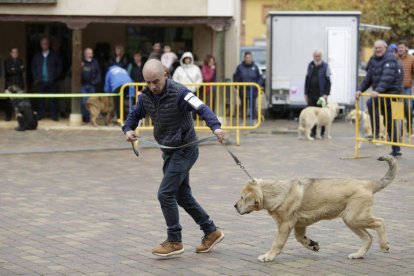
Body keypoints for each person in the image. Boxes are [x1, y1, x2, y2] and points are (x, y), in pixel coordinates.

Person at [122, 59, 225, 257]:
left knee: (165, 194)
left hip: (185, 149)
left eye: (156, 81)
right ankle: (211, 231)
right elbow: (133, 116)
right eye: (148, 82)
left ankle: (175, 241)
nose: (152, 86)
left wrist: (216, 126)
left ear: (166, 75)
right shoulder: (146, 97)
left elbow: (202, 108)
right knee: (182, 196)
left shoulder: (181, 93)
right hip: (169, 150)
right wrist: (128, 130)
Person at [356, 40, 404, 157]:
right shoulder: (373, 59)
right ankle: (384, 139)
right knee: (376, 108)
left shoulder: (390, 59)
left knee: (389, 122)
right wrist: (360, 90)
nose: (377, 50)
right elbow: (369, 77)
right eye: (375, 48)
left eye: (379, 48)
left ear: (385, 48)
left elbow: (387, 77)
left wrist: (378, 90)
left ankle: (383, 138)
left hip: (392, 94)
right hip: (381, 94)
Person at [31, 37, 62, 121]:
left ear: (49, 45)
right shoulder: (37, 56)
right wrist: (36, 77)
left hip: (52, 81)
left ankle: (54, 115)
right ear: (41, 45)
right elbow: (33, 67)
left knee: (53, 99)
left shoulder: (54, 55)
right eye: (43, 43)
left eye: (46, 43)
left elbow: (59, 67)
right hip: (41, 81)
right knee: (41, 100)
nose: (45, 45)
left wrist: (55, 77)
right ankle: (40, 115)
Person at [304, 50, 332, 137]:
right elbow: (307, 79)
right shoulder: (310, 65)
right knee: (311, 113)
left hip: (321, 95)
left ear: (321, 56)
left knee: (322, 114)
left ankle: (321, 132)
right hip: (311, 94)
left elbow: (329, 82)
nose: (317, 58)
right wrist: (305, 93)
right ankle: (312, 132)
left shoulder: (326, 66)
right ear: (313, 56)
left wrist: (326, 94)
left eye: (319, 56)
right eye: (315, 56)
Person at [233, 51, 262, 120]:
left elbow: (260, 77)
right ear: (244, 58)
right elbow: (235, 77)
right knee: (243, 106)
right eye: (247, 57)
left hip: (253, 90)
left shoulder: (255, 67)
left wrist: (258, 85)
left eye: (249, 57)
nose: (248, 59)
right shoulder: (240, 67)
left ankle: (253, 120)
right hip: (243, 91)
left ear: (251, 58)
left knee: (253, 106)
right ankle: (243, 120)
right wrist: (237, 87)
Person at [397, 40, 414, 134]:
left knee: (408, 107)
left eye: (402, 47)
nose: (400, 49)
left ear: (406, 48)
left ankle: (409, 128)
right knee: (398, 109)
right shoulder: (395, 58)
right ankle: (400, 130)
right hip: (396, 89)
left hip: (407, 88)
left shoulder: (412, 58)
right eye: (399, 47)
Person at [3, 47, 25, 121]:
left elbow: (23, 70)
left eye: (16, 52)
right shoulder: (7, 61)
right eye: (13, 52)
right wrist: (18, 69)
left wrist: (14, 69)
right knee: (9, 101)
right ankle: (8, 116)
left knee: (20, 101)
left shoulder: (20, 61)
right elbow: (8, 72)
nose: (15, 54)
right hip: (10, 83)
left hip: (19, 84)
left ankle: (20, 117)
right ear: (10, 53)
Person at [81, 47, 101, 123]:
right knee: (84, 102)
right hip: (83, 85)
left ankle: (91, 117)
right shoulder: (81, 62)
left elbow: (98, 72)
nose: (90, 54)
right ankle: (85, 117)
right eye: (89, 53)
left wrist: (95, 82)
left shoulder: (95, 62)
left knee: (92, 102)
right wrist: (80, 68)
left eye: (91, 53)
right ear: (85, 54)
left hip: (92, 85)